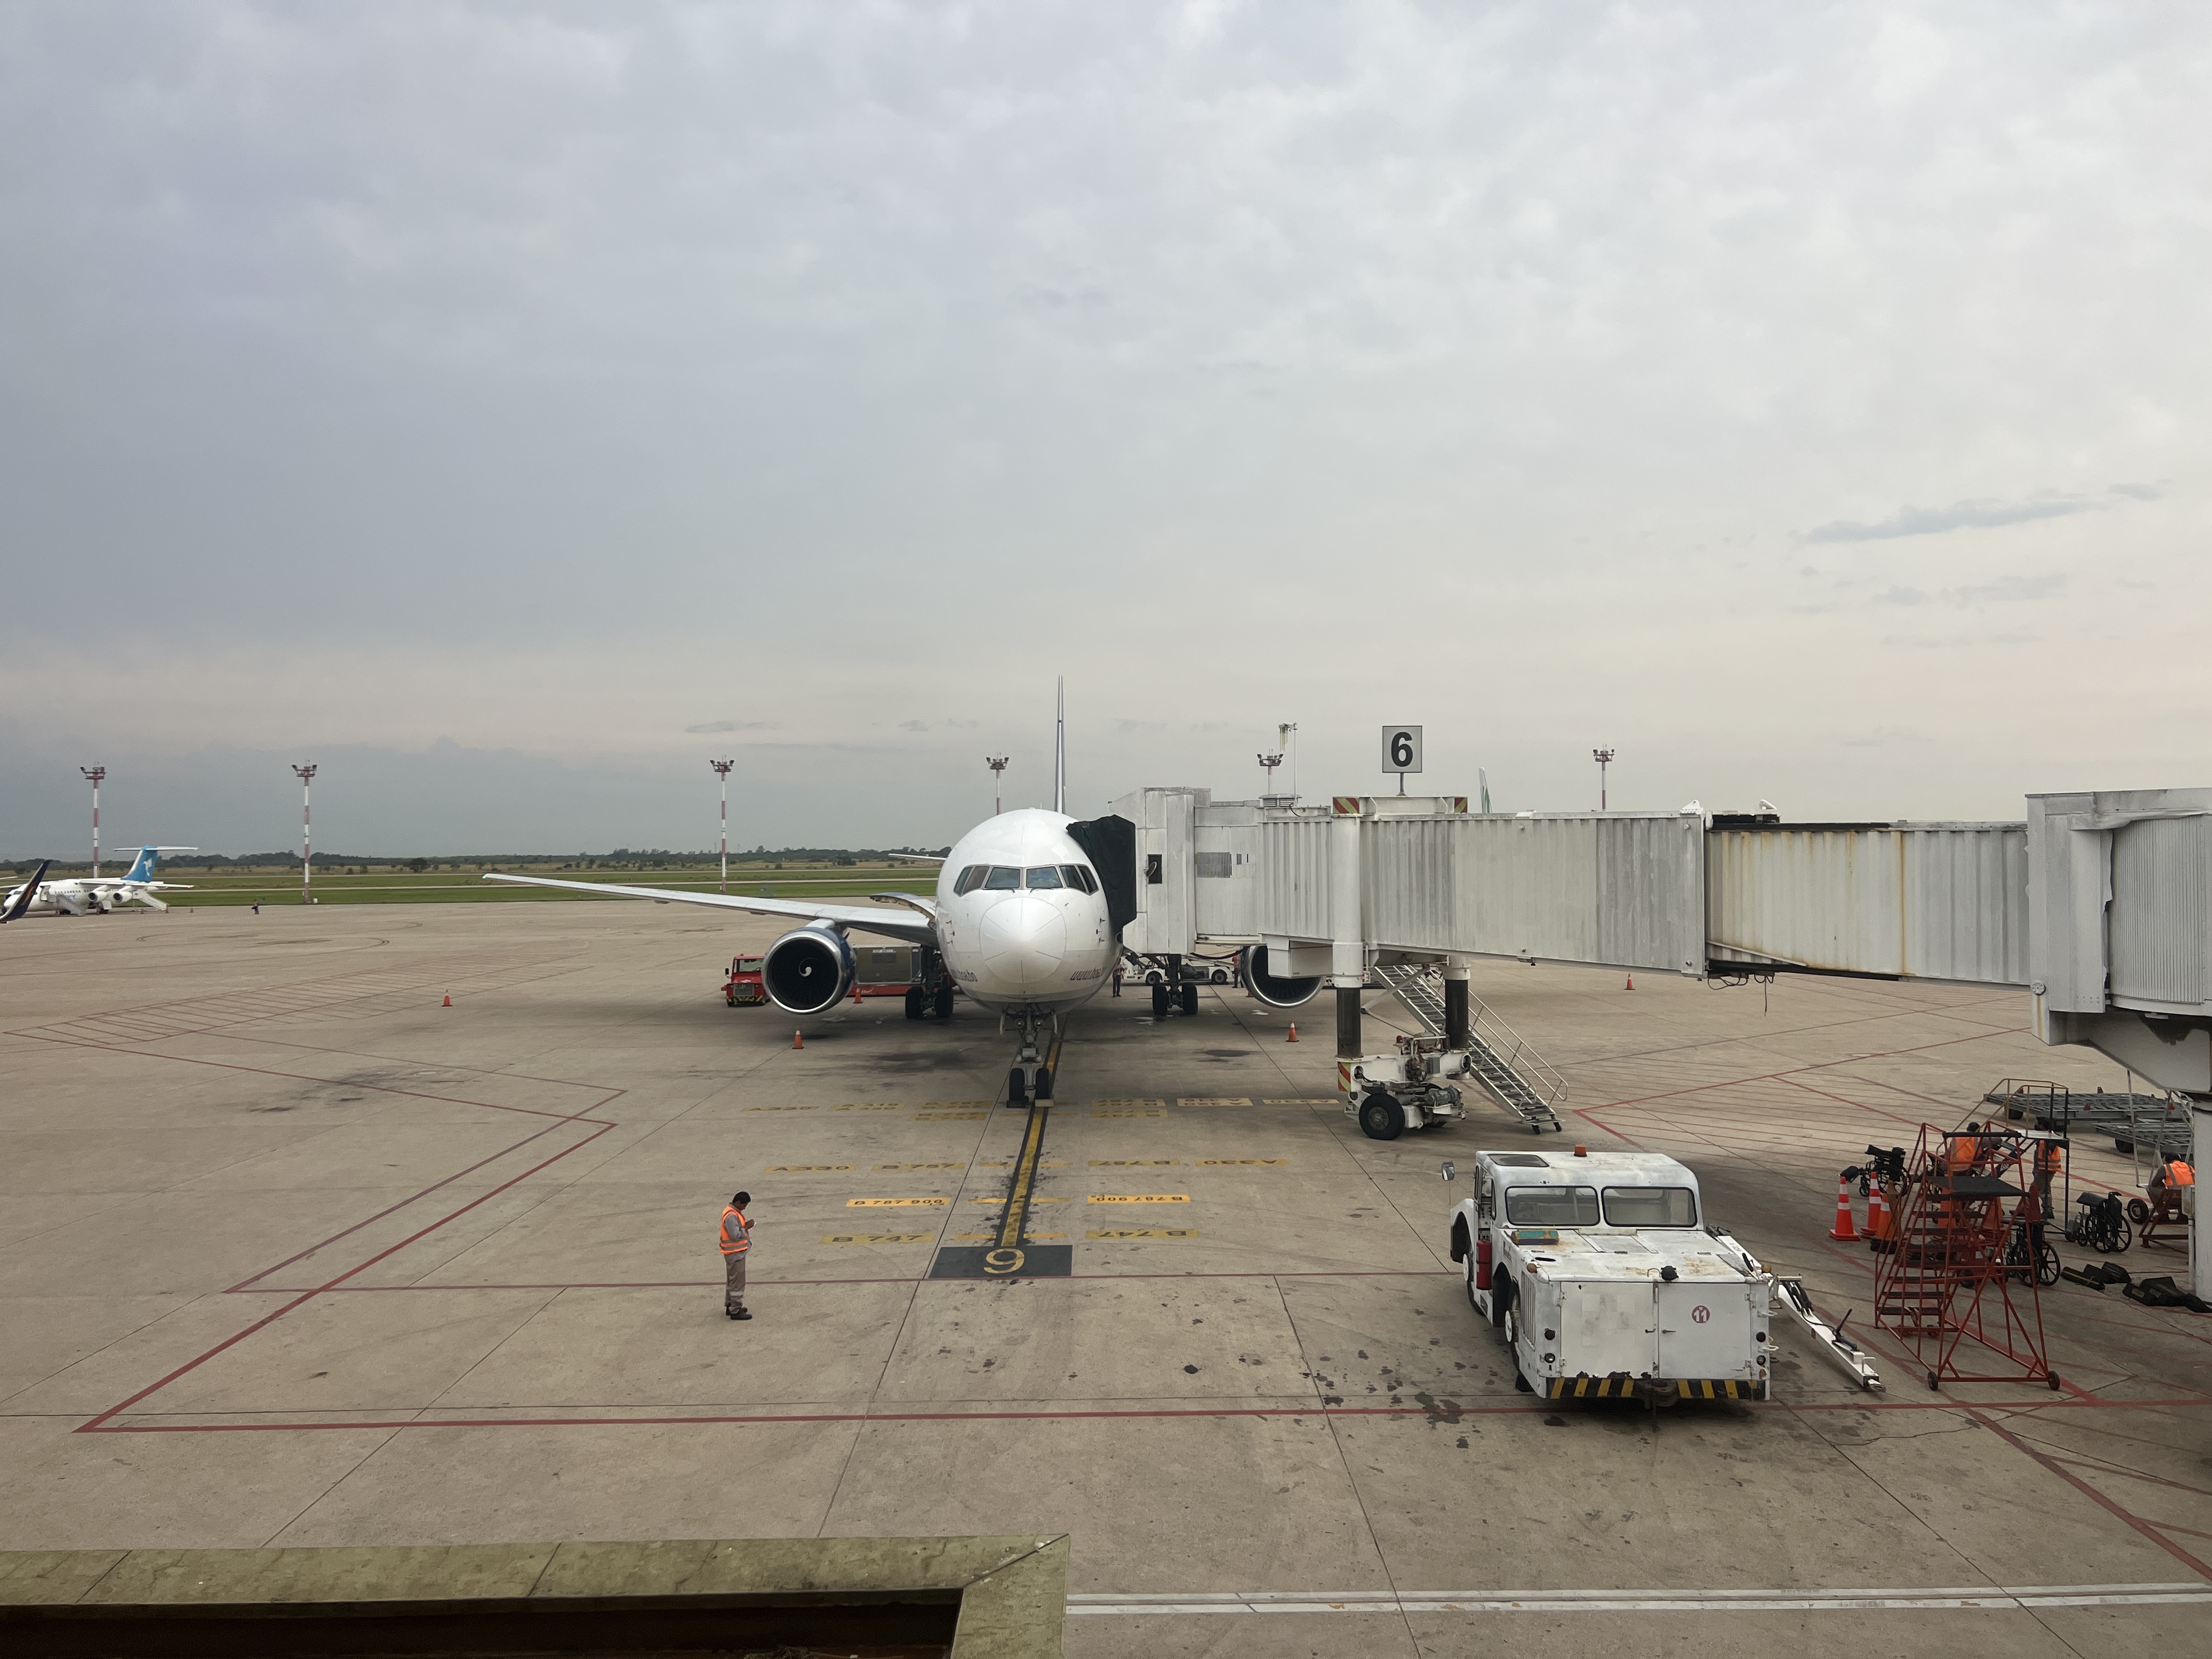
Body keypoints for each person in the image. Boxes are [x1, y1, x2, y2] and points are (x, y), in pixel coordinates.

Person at [719, 1190, 754, 1320]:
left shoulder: (731, 1211)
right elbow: (735, 1235)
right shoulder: (732, 1216)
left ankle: (730, 1305)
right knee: (737, 1284)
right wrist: (747, 1227)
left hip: (733, 1254)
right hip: (735, 1255)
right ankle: (736, 1310)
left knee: (732, 1282)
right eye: (744, 1205)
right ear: (738, 1203)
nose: (744, 1208)